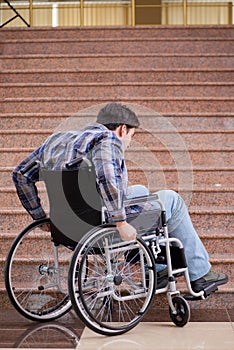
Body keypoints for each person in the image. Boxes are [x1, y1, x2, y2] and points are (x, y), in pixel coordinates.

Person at [12, 102, 228, 293]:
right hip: (101, 225)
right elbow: (107, 178)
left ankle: (159, 268)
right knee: (171, 200)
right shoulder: (108, 140)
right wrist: (121, 222)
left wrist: (39, 217)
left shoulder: (56, 140)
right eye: (131, 136)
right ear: (122, 129)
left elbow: (20, 174)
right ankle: (199, 274)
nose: (130, 142)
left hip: (68, 227)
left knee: (141, 191)